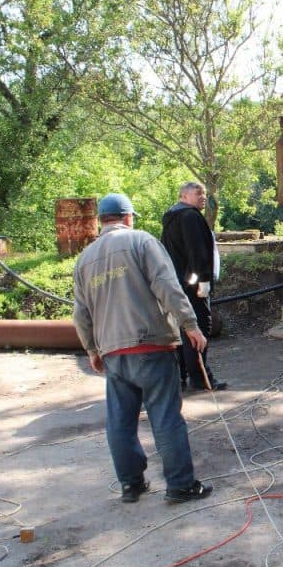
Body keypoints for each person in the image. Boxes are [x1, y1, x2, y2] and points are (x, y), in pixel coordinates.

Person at [72, 193, 213, 505]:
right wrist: (190, 325)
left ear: (102, 220)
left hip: (112, 353)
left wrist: (92, 351)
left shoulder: (85, 258)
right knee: (165, 417)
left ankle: (131, 485)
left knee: (120, 422)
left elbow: (80, 314)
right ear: (128, 217)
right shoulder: (142, 242)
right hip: (151, 345)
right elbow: (167, 286)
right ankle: (180, 485)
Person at [161, 182, 227, 391]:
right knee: (198, 329)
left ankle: (180, 376)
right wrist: (204, 280)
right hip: (192, 285)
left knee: (181, 331)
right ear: (184, 195)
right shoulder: (190, 216)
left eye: (204, 193)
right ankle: (201, 378)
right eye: (198, 193)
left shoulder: (171, 217)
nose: (203, 197)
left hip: (176, 283)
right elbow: (196, 251)